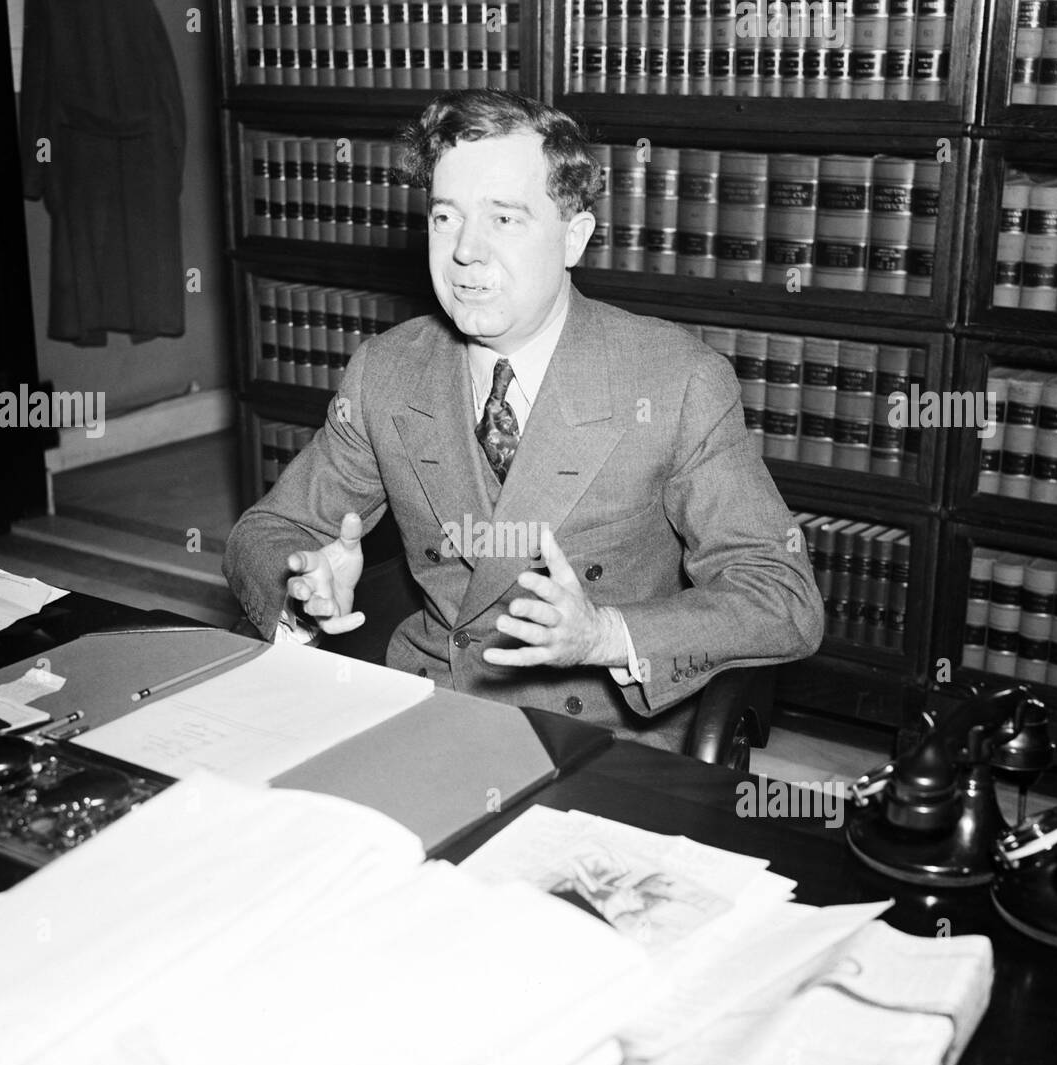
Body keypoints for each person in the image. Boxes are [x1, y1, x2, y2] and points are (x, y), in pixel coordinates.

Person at [224, 89, 824, 754]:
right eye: (445, 218)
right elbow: (267, 530)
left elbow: (783, 595)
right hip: (430, 713)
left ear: (574, 237)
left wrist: (607, 634)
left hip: (602, 739)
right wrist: (301, 584)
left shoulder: (675, 380)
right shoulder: (386, 371)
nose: (465, 253)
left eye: (504, 219)